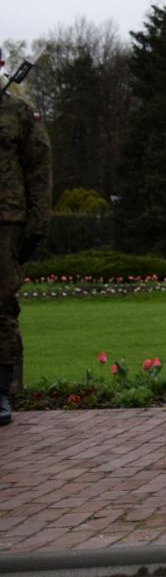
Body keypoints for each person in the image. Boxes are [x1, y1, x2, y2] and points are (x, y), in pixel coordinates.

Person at [0, 50, 50, 428]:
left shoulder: (18, 112)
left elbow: (39, 170)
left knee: (1, 306)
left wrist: (37, 225)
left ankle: (1, 389)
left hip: (5, 221)